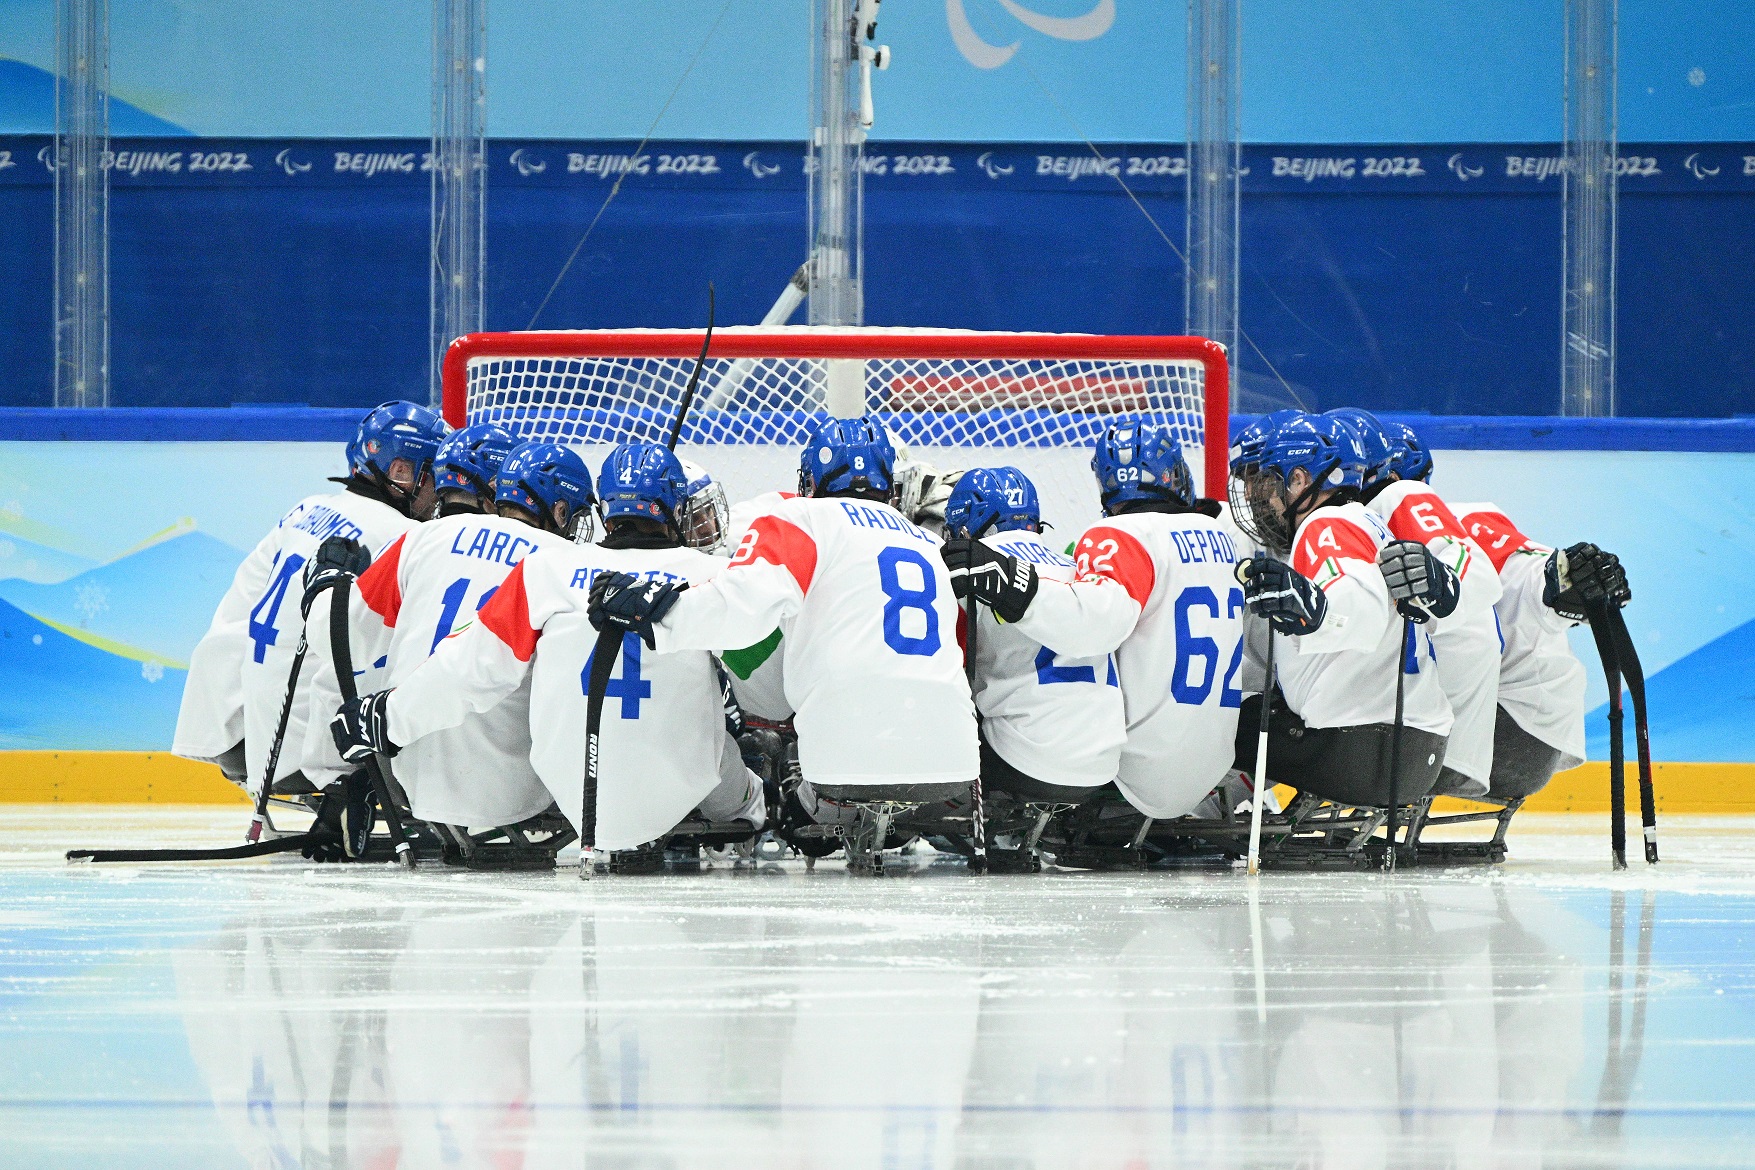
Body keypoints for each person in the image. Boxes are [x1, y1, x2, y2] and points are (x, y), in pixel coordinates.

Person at [331, 441, 763, 872]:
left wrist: (387, 719)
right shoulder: (716, 576)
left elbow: (469, 667)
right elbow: (767, 691)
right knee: (725, 737)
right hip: (681, 790)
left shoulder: (547, 569)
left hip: (573, 798)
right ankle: (757, 809)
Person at [585, 416, 979, 872]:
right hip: (952, 767)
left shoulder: (800, 517)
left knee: (778, 741)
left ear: (809, 480)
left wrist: (656, 611)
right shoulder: (927, 543)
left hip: (843, 766)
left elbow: (739, 607)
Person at [942, 421, 1246, 833]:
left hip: (1139, 764)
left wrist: (1009, 586)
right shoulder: (1224, 534)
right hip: (1214, 759)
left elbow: (1095, 624)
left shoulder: (1119, 535)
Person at [298, 431, 580, 848]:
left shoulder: (415, 541)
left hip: (407, 779)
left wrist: (328, 585)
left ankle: (344, 783)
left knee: (364, 658)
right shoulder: (557, 562)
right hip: (520, 789)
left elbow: (332, 634)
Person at [172, 401, 447, 826]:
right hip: (314, 753)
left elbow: (236, 615)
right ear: (400, 473)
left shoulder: (306, 509)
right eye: (433, 473)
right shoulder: (404, 537)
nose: (440, 490)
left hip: (242, 742)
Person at [1227, 410, 1454, 813]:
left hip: (1355, 751)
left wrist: (1314, 610)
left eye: (1272, 484)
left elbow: (1357, 607)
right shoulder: (1372, 524)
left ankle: (1184, 812)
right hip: (1417, 755)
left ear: (1299, 479)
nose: (1268, 500)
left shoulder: (1327, 524)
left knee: (1213, 719)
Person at [937, 466, 1126, 868]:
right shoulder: (1076, 565)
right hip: (1104, 764)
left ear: (968, 524)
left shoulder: (973, 569)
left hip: (1024, 759)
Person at [1335, 409, 1503, 799]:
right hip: (1446, 733)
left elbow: (1473, 574)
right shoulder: (1379, 519)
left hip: (1423, 731)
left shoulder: (1400, 496)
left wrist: (1440, 584)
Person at [1452, 505, 1627, 798]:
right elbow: (1536, 573)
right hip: (1535, 743)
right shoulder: (1471, 521)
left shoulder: (1433, 526)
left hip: (1503, 743)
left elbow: (1538, 579)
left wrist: (1567, 582)